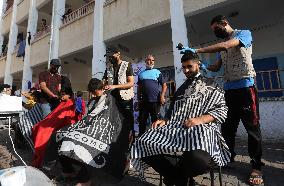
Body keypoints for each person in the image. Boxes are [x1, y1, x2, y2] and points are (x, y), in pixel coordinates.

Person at [185, 15, 264, 185]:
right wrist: (202, 65)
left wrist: (197, 50)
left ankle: (256, 167)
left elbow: (228, 44)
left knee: (252, 129)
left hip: (246, 89)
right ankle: (227, 158)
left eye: (216, 29)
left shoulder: (244, 34)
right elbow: (216, 67)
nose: (215, 33)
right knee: (227, 128)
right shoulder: (222, 48)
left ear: (224, 23)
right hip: (229, 91)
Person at [131, 51, 230, 186]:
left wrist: (199, 119)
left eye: (189, 66)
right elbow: (172, 110)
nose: (186, 70)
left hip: (202, 130)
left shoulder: (212, 84)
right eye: (183, 67)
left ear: (198, 65)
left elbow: (222, 110)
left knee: (198, 160)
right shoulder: (181, 89)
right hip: (178, 128)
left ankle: (175, 177)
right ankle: (179, 177)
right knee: (141, 145)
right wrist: (165, 120)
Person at [58, 78, 106, 186]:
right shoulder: (93, 100)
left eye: (95, 92)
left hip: (101, 133)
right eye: (92, 93)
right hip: (88, 130)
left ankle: (86, 180)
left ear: (101, 88)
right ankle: (68, 171)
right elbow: (86, 117)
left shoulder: (109, 100)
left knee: (89, 149)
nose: (93, 95)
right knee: (63, 140)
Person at [32, 87, 78, 168]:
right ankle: (41, 156)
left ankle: (45, 159)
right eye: (61, 95)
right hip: (53, 124)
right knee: (37, 127)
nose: (61, 97)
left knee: (43, 132)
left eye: (63, 95)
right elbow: (52, 116)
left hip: (60, 126)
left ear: (69, 95)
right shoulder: (62, 103)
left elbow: (67, 119)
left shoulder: (70, 104)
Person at [104, 50, 134, 136]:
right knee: (115, 120)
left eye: (111, 56)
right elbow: (104, 82)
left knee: (128, 120)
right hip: (113, 99)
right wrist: (103, 86)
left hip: (125, 99)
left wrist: (114, 86)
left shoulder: (127, 65)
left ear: (118, 54)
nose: (110, 58)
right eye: (108, 56)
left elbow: (131, 83)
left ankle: (131, 140)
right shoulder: (108, 68)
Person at [137, 54, 167, 136]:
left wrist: (162, 96)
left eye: (152, 60)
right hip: (144, 102)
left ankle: (156, 138)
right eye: (148, 60)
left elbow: (164, 85)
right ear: (145, 61)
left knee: (156, 121)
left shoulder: (157, 72)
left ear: (154, 62)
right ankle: (140, 139)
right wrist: (138, 99)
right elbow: (139, 88)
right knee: (142, 121)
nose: (150, 61)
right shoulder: (141, 74)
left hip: (155, 101)